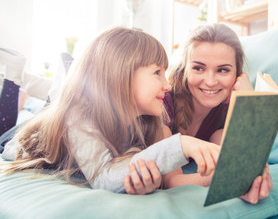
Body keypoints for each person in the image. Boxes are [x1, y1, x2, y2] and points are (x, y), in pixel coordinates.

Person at [0, 27, 220, 195]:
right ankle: (18, 78)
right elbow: (103, 177)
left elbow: (131, 170)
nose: (167, 85)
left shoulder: (150, 123)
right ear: (121, 76)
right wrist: (181, 144)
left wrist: (145, 180)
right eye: (157, 73)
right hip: (20, 141)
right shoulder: (79, 117)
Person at [162, 23, 272, 204]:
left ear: (237, 74)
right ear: (185, 69)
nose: (211, 82)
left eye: (223, 70)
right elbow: (171, 182)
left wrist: (248, 101)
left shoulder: (224, 108)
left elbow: (243, 154)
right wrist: (224, 176)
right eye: (198, 68)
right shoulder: (164, 105)